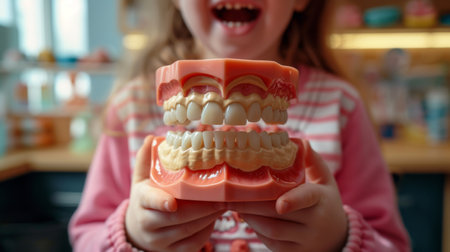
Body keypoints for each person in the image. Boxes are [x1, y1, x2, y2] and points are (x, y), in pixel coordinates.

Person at [69, 0, 411, 251]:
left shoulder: (341, 106)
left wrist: (339, 238)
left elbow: (392, 244)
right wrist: (131, 235)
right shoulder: (132, 108)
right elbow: (86, 236)